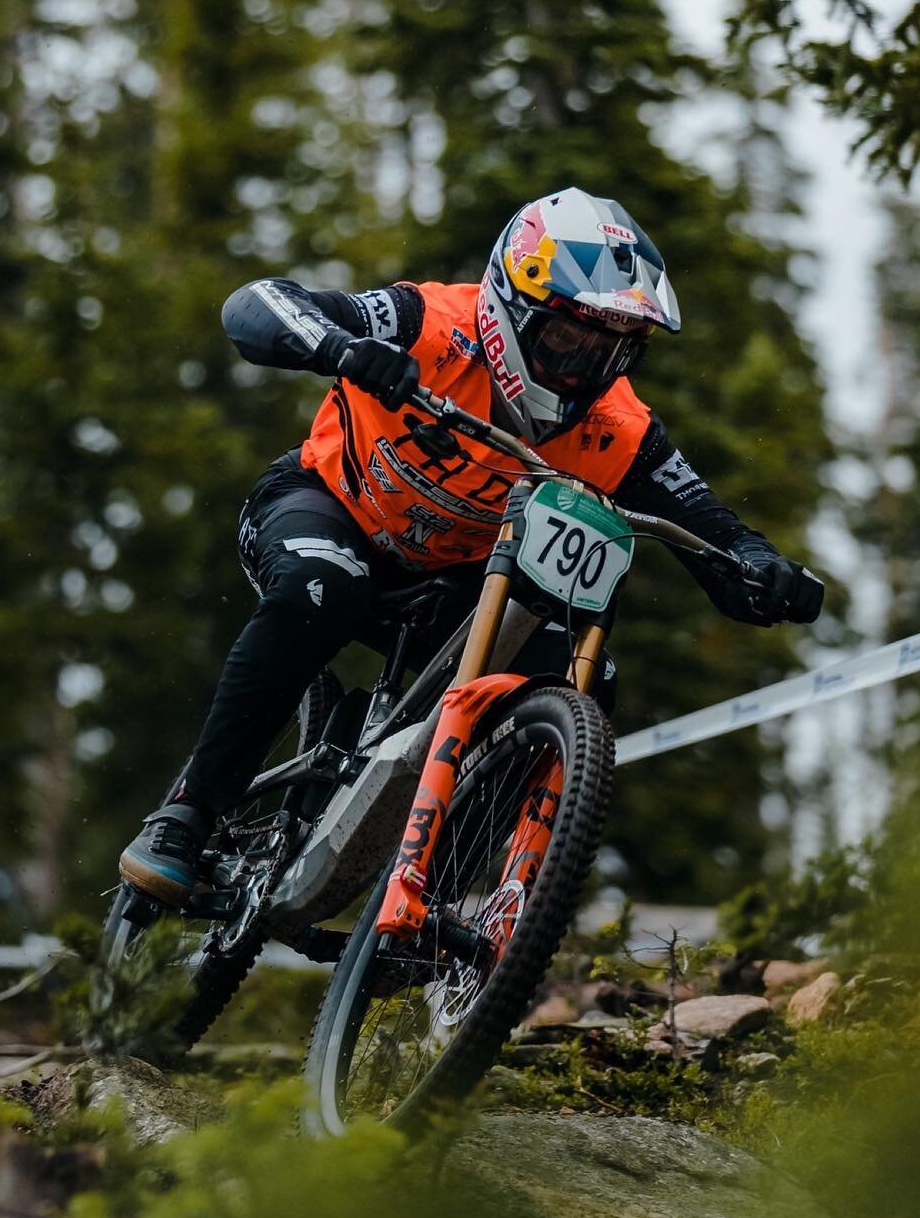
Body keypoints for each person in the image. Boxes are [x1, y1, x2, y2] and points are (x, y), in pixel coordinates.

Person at [119, 187, 824, 905]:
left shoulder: (623, 428)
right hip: (324, 507)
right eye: (568, 340)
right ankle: (186, 815)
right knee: (321, 591)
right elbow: (256, 303)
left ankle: (440, 901)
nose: (584, 369)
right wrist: (343, 348)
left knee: (582, 672)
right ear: (511, 310)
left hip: (449, 589)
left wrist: (759, 569)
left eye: (612, 350)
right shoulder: (428, 321)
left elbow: (712, 527)